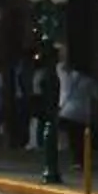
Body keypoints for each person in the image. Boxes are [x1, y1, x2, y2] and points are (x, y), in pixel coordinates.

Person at [31, 51, 63, 184]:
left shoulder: (47, 74)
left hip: (44, 99)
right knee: (44, 123)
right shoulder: (45, 74)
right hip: (42, 99)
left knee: (44, 123)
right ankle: (41, 144)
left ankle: (42, 144)